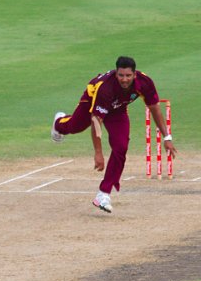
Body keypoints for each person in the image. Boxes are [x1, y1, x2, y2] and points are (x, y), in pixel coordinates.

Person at [52, 56, 177, 213]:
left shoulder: (144, 83)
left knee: (121, 147)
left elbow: (155, 109)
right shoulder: (106, 88)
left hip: (118, 109)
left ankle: (103, 194)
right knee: (75, 126)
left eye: (128, 76)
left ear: (134, 75)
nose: (124, 79)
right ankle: (59, 122)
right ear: (116, 73)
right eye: (121, 75)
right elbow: (96, 121)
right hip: (93, 100)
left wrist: (167, 137)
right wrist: (98, 153)